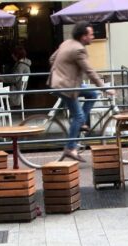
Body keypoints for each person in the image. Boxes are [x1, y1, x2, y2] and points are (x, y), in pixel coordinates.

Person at [48, 21, 114, 162]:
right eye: (91, 34)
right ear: (83, 36)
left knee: (92, 93)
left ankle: (81, 123)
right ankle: (70, 148)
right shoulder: (78, 49)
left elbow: (52, 59)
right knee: (78, 116)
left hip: (62, 83)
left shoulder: (67, 43)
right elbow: (89, 71)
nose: (93, 37)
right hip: (66, 86)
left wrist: (62, 71)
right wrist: (105, 88)